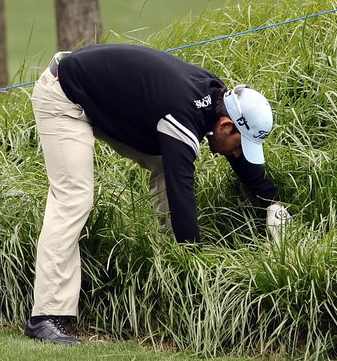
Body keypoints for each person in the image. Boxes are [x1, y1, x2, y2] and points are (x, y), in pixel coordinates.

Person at [24, 44, 291, 344]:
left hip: (103, 98)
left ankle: (167, 269)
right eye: (242, 146)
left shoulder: (217, 101)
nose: (239, 155)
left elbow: (235, 158)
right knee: (75, 197)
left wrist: (273, 202)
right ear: (227, 126)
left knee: (166, 163)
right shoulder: (185, 110)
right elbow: (182, 194)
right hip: (64, 94)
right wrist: (196, 266)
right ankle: (44, 316)